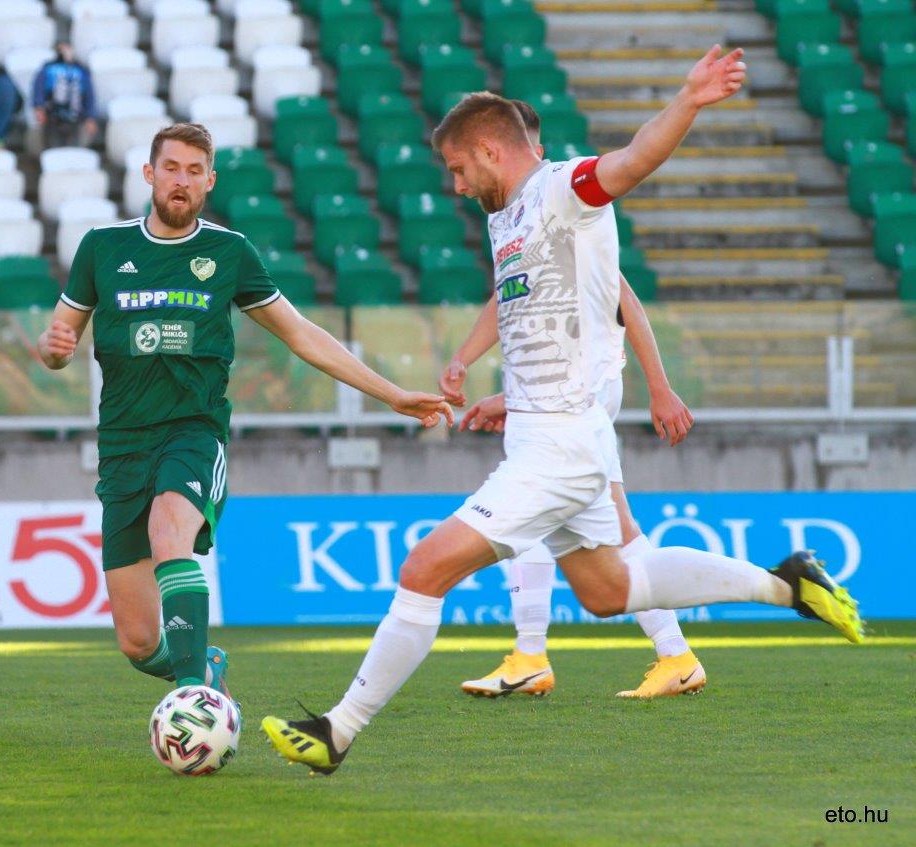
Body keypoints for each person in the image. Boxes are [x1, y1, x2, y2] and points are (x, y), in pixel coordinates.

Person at [262, 47, 864, 776]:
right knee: (610, 589)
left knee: (424, 568)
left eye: (458, 169)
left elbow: (633, 161)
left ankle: (338, 729)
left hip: (562, 446)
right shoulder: (508, 219)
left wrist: (688, 100)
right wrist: (506, 397)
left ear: (491, 149)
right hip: (544, 433)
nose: (455, 186)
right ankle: (789, 583)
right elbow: (537, 319)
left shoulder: (563, 188)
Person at [36, 123, 452, 704]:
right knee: (138, 642)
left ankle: (194, 701)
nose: (182, 181)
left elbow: (301, 334)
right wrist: (53, 350)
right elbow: (59, 341)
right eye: (172, 168)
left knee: (168, 531)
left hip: (192, 432)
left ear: (210, 181)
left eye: (194, 171)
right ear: (150, 174)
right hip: (122, 445)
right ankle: (203, 668)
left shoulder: (228, 252)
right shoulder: (102, 248)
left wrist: (392, 394)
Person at [446, 99, 705, 700]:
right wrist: (474, 365)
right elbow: (512, 298)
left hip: (587, 390)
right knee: (616, 529)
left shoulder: (562, 200)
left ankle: (531, 655)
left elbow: (624, 301)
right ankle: (675, 653)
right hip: (564, 393)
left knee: (533, 510)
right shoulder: (509, 218)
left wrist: (660, 387)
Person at [32, 43, 98, 149]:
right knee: (53, 147)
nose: (65, 52)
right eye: (62, 49)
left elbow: (89, 95)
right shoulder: (48, 68)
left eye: (67, 48)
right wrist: (39, 107)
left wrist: (90, 117)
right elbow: (39, 89)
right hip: (52, 118)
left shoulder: (81, 70)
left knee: (75, 148)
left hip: (76, 118)